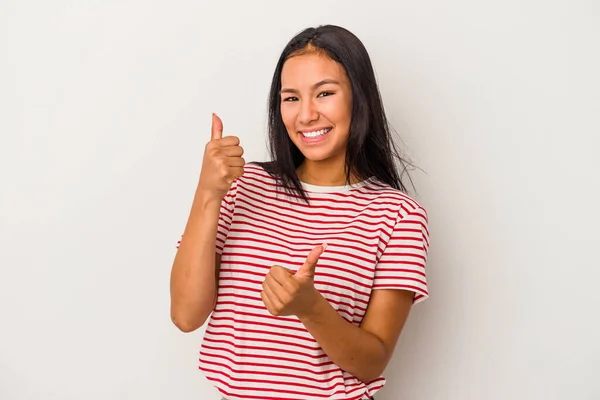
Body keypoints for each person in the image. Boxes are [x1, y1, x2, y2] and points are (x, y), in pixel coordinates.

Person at [170, 24, 430, 400]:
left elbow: (372, 360)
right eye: (290, 98)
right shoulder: (245, 185)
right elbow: (185, 315)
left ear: (360, 98)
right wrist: (208, 192)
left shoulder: (397, 215)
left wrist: (310, 307)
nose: (306, 114)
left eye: (324, 93)